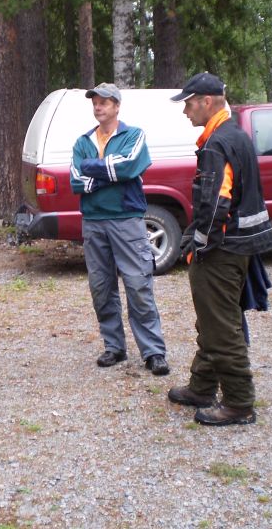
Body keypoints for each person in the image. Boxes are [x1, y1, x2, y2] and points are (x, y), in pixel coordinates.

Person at [166, 72, 272, 426]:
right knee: (213, 321)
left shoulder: (218, 144)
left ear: (207, 102)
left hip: (223, 251)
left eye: (188, 103)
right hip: (238, 246)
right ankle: (202, 386)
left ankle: (239, 403)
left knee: (222, 326)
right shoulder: (234, 135)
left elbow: (216, 205)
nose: (185, 111)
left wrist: (197, 246)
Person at [70, 82, 169, 376]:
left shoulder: (134, 135)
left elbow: (128, 168)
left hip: (127, 219)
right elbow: (77, 181)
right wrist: (109, 172)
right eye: (95, 103)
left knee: (138, 284)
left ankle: (153, 352)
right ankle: (114, 347)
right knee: (101, 287)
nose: (98, 107)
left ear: (116, 106)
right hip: (93, 222)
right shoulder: (82, 141)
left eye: (104, 102)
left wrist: (96, 169)